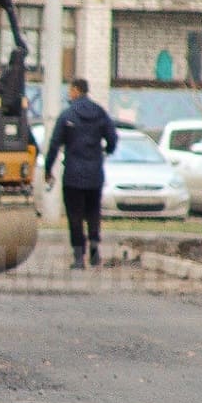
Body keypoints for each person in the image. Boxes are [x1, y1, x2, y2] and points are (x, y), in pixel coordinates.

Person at [44, 78, 118, 269]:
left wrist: (48, 169)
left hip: (73, 175)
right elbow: (113, 138)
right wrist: (106, 151)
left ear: (76, 91)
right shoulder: (100, 113)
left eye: (71, 90)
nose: (69, 94)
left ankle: (79, 257)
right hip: (95, 174)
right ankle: (94, 245)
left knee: (75, 215)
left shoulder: (68, 115)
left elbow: (54, 145)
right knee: (93, 212)